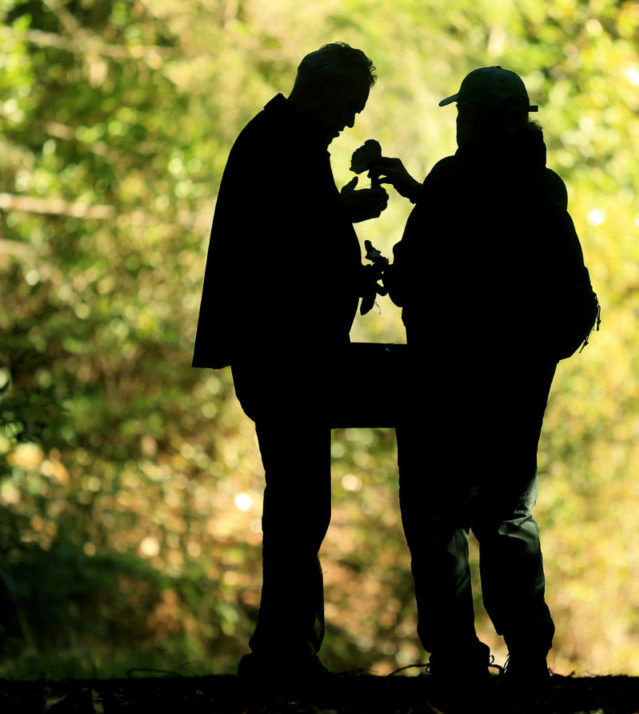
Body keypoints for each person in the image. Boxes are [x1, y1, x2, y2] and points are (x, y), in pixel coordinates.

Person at [192, 42, 412, 691]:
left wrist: (345, 258)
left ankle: (285, 649)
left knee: (299, 501)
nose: (349, 122)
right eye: (347, 106)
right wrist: (342, 217)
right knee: (299, 503)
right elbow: (276, 246)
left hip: (291, 358)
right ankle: (284, 653)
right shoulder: (276, 146)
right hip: (285, 360)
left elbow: (289, 237)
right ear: (317, 90)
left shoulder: (282, 144)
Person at [384, 66, 599, 683]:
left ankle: (456, 657)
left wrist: (387, 274)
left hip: (444, 374)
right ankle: (529, 652)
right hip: (520, 377)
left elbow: (416, 275)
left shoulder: (455, 181)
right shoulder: (541, 186)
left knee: (436, 510)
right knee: (507, 511)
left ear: (474, 118)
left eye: (463, 114)